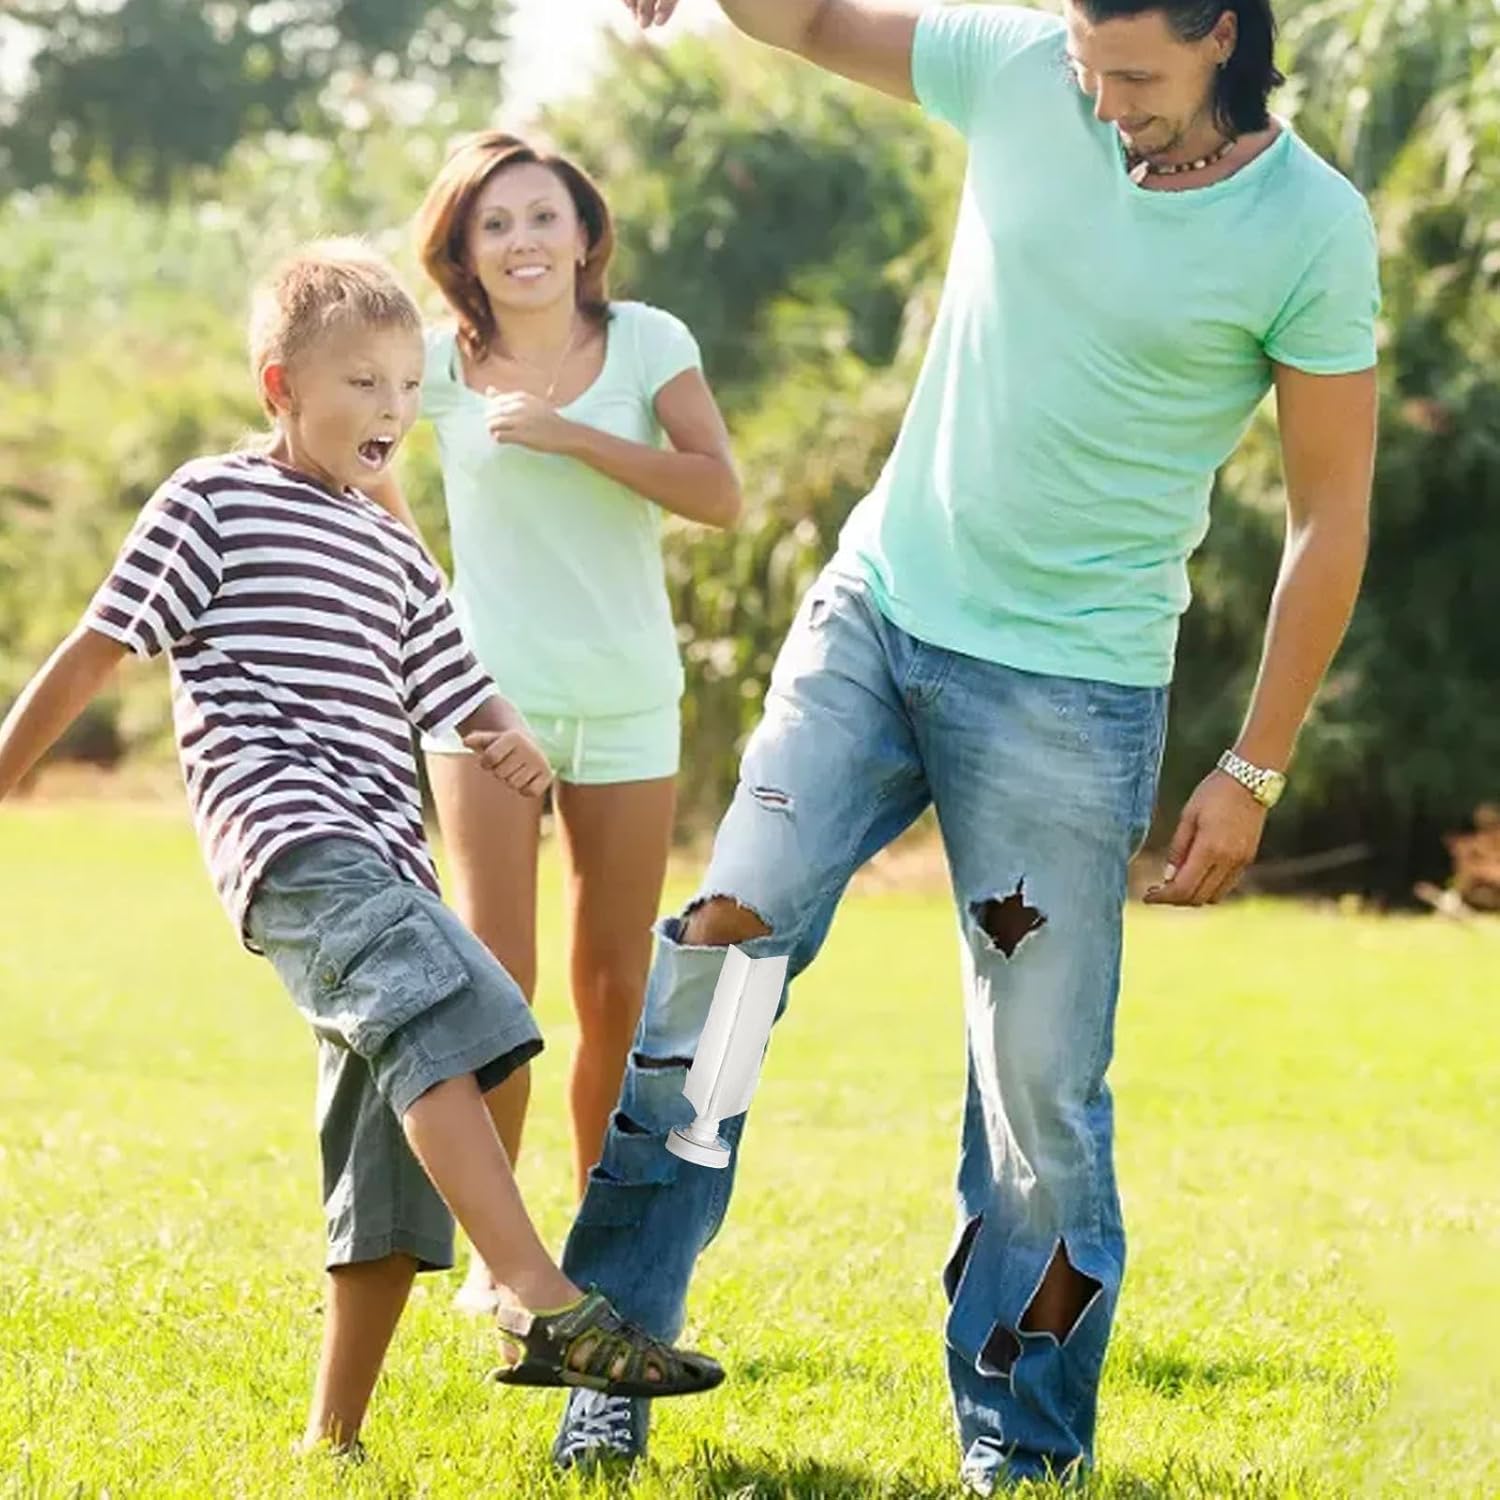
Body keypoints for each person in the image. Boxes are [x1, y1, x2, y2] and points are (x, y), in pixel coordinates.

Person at [553, 0, 1380, 1487]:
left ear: (1223, 35)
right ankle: (611, 1353)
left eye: (1136, 75)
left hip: (1069, 694)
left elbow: (1329, 519)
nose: (1103, 101)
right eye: (1089, 65)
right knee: (729, 949)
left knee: (1035, 1091)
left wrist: (1253, 764)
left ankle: (1021, 1442)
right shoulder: (1019, 70)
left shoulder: (1310, 229)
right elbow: (802, 18)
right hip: (877, 620)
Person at [0, 240, 723, 1458]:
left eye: (406, 386)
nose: (392, 408)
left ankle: (331, 1440)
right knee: (449, 1027)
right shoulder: (213, 500)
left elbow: (456, 682)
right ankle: (536, 1297)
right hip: (290, 839)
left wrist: (506, 738)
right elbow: (98, 647)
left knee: (448, 1089)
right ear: (281, 389)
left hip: (389, 860)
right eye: (361, 384)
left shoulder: (394, 551)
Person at [364, 132, 740, 1314]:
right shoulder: (433, 364)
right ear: (464, 251)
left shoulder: (650, 342)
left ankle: (602, 1255)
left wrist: (572, 433)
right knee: (497, 982)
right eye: (495, 224)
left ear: (584, 235)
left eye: (542, 217)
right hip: (486, 704)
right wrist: (419, 577)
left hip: (628, 700)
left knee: (617, 987)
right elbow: (347, 449)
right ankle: (502, 1260)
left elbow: (720, 492)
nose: (521, 241)